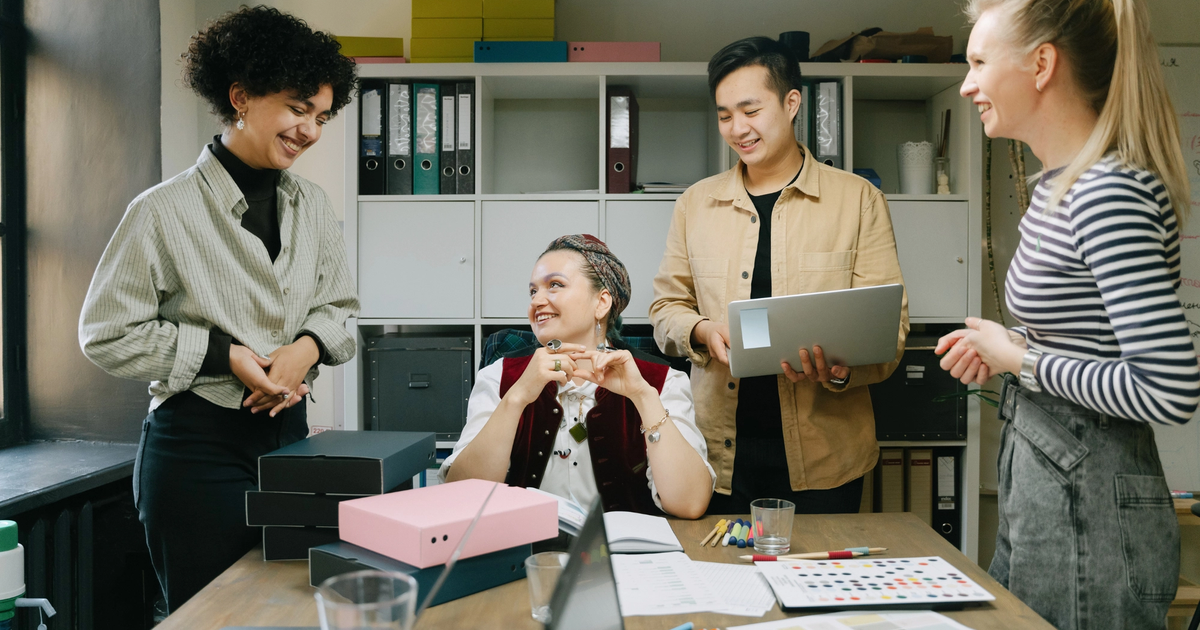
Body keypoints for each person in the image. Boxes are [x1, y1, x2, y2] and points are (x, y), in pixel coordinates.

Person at [78, 7, 359, 612]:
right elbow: (104, 333)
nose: (309, 129)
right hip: (195, 452)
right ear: (241, 96)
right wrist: (223, 356)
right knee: (213, 619)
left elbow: (340, 309)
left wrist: (304, 350)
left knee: (293, 612)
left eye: (320, 116)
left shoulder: (313, 204)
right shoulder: (162, 210)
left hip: (291, 444)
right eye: (296, 107)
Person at [936, 0, 1199, 627]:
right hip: (1051, 489)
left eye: (978, 62)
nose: (968, 83)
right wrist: (1008, 350)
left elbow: (1170, 388)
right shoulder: (1060, 187)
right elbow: (1092, 337)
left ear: (1042, 64)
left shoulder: (1106, 192)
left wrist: (1020, 358)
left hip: (1092, 512)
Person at [650, 36, 908, 516]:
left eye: (750, 110)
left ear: (792, 103)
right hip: (716, 453)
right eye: (725, 114)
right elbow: (665, 310)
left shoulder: (857, 200)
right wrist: (703, 331)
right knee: (721, 587)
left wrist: (839, 369)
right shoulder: (695, 204)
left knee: (817, 586)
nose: (737, 128)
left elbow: (889, 332)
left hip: (827, 457)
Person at [441, 235, 714, 518]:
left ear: (602, 302)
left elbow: (690, 504)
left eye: (555, 285)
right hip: (527, 558)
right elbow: (462, 496)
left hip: (623, 558)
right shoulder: (498, 377)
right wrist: (517, 397)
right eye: (533, 291)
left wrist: (643, 397)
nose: (537, 301)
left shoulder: (662, 381)